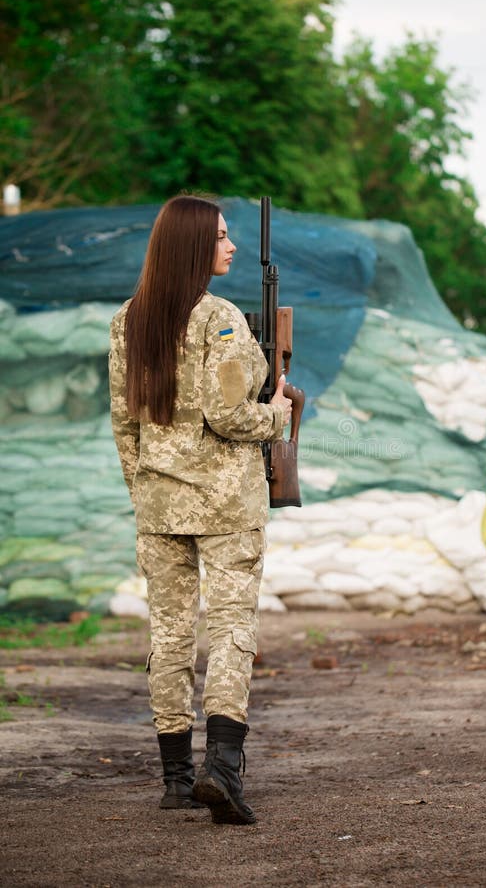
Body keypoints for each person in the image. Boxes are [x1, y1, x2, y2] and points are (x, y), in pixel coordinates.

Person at [108, 195, 292, 825]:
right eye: (219, 236)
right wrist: (280, 417)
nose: (231, 246)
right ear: (193, 246)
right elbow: (231, 414)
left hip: (159, 503)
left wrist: (145, 490)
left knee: (169, 633)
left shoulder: (129, 320)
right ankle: (222, 769)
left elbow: (123, 423)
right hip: (227, 503)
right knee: (232, 627)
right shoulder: (221, 320)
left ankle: (175, 779)